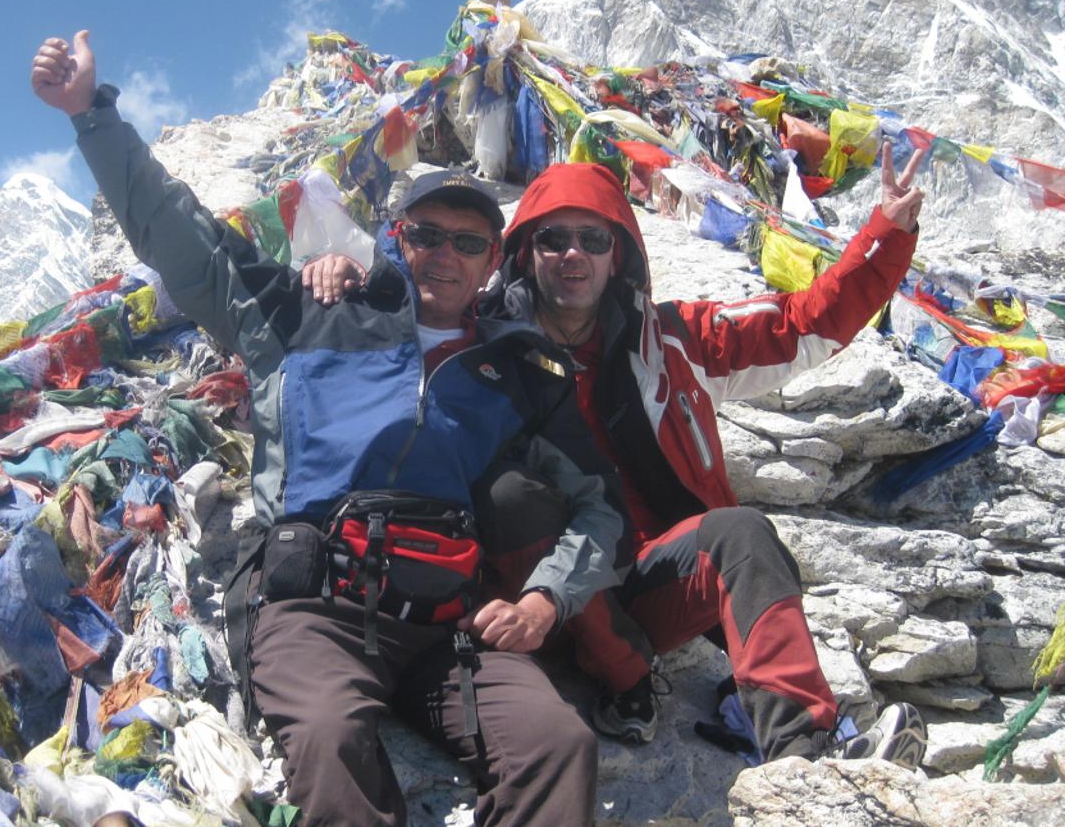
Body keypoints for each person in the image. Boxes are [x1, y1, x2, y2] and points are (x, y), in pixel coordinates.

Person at [32, 32, 628, 826]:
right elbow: (189, 245)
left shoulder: (516, 375)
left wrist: (547, 602)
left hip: (444, 628)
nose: (445, 256)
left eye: (469, 243)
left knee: (559, 744)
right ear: (396, 238)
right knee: (330, 739)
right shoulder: (311, 314)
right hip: (309, 608)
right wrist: (91, 116)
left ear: (492, 264)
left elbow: (600, 507)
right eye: (426, 235)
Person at [306, 155, 930, 768]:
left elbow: (803, 323)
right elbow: (405, 323)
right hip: (525, 604)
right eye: (552, 238)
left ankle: (805, 754)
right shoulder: (481, 340)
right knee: (516, 492)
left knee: (744, 536)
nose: (572, 254)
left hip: (652, 578)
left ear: (618, 253)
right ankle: (620, 679)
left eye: (592, 238)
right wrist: (346, 275)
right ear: (524, 252)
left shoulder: (674, 340)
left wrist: (886, 235)